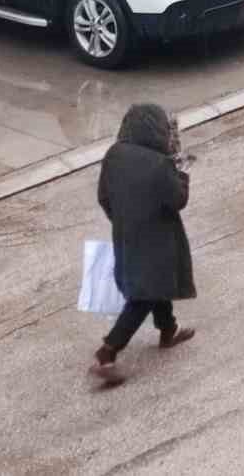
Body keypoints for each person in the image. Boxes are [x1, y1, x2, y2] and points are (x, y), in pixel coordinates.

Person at [90, 103, 197, 386]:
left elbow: (103, 196)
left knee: (154, 284)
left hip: (126, 234)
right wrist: (182, 171)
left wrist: (121, 220)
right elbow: (178, 200)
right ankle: (107, 352)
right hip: (158, 239)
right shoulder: (160, 163)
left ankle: (168, 330)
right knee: (144, 295)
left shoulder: (113, 154)